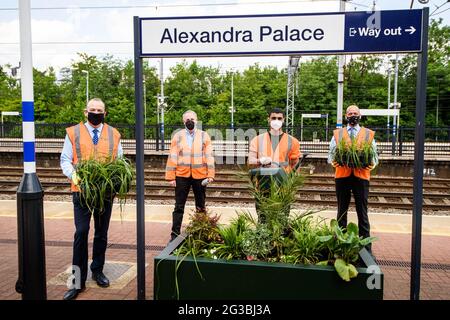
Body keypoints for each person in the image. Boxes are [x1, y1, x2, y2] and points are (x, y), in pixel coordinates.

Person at [60, 98, 123, 300]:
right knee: (81, 231)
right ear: (85, 112)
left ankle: (97, 270)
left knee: (101, 233)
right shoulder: (73, 132)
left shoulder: (114, 134)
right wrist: (76, 178)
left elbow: (119, 162)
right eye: (92, 110)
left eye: (100, 110)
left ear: (105, 113)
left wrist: (115, 181)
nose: (96, 113)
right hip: (81, 191)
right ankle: (77, 282)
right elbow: (65, 160)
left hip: (105, 192)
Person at [328, 105, 378, 253]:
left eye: (355, 113)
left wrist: (369, 165)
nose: (352, 115)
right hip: (342, 176)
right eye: (350, 113)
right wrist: (335, 162)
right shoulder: (338, 134)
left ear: (360, 116)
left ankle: (366, 249)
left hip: (361, 177)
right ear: (346, 116)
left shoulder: (368, 134)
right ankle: (341, 246)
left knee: (362, 213)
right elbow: (331, 155)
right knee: (341, 212)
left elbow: (375, 157)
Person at [165, 110, 215, 242]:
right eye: (187, 119)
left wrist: (210, 174)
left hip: (200, 176)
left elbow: (209, 156)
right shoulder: (178, 136)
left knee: (201, 206)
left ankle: (202, 233)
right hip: (182, 176)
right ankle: (174, 235)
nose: (190, 121)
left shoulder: (204, 136)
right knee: (179, 206)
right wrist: (171, 177)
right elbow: (172, 156)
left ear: (197, 120)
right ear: (183, 122)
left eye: (192, 119)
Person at [248, 108, 301, 221]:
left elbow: (295, 165)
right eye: (273, 118)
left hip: (283, 184)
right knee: (263, 217)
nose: (276, 121)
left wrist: (292, 185)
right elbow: (250, 161)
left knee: (282, 218)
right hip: (263, 184)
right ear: (268, 119)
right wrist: (260, 161)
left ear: (284, 120)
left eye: (279, 118)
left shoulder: (293, 141)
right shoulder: (257, 140)